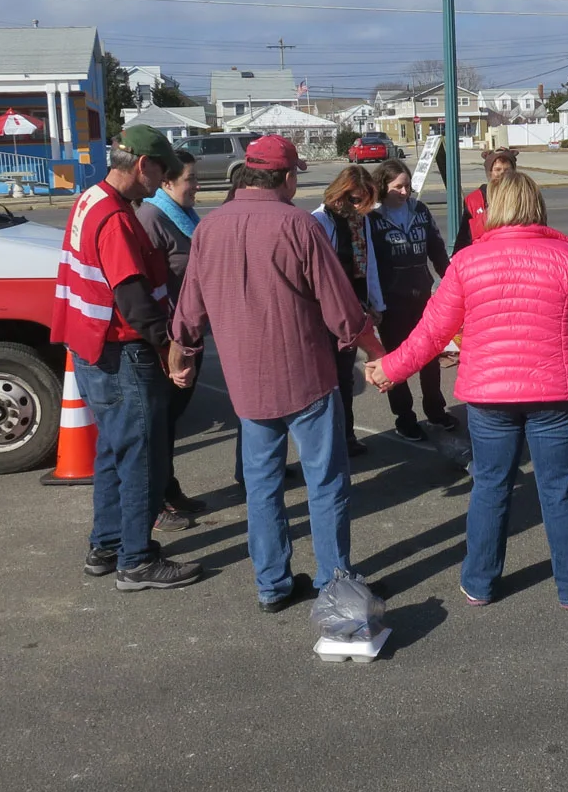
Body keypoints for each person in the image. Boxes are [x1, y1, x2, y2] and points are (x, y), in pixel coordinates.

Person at [366, 172, 568, 611]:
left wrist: (390, 369)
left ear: (494, 211)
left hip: (490, 395)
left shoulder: (468, 262)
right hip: (556, 394)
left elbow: (432, 333)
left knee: (491, 486)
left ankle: (479, 582)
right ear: (536, 206)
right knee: (559, 488)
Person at [170, 136, 385, 614]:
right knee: (326, 483)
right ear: (285, 177)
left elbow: (190, 305)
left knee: (262, 485)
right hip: (305, 375)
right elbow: (341, 310)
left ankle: (272, 584)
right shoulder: (297, 224)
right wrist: (379, 353)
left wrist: (181, 351)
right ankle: (337, 582)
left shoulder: (210, 227)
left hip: (247, 384)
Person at [52, 125, 202, 592]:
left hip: (93, 347)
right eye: (161, 170)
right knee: (139, 456)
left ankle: (108, 545)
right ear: (142, 165)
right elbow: (133, 299)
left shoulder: (90, 200)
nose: (162, 180)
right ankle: (136, 560)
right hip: (122, 351)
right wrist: (170, 349)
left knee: (114, 451)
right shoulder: (116, 219)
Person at [135, 147, 207, 531]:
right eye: (190, 180)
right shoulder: (152, 217)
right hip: (169, 339)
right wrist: (168, 345)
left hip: (191, 334)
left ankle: (169, 487)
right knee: (158, 423)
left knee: (170, 421)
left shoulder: (185, 215)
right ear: (165, 183)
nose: (196, 186)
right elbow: (147, 286)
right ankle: (156, 503)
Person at [368, 159, 458, 440]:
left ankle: (435, 410)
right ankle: (404, 418)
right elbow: (368, 264)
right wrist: (372, 303)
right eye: (398, 187)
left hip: (422, 296)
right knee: (396, 361)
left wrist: (454, 281)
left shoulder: (419, 210)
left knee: (430, 356)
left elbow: (437, 249)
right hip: (390, 302)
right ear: (383, 187)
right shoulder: (372, 219)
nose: (405, 192)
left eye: (407, 185)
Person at [313, 166, 385, 458]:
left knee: (345, 377)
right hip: (325, 311)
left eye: (364, 201)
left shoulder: (360, 221)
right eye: (354, 200)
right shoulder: (319, 220)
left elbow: (369, 265)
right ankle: (327, 440)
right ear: (339, 194)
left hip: (354, 308)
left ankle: (346, 434)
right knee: (325, 380)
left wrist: (376, 303)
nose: (359, 207)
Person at [453, 147, 517, 253]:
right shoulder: (474, 201)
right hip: (482, 259)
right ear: (490, 172)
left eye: (507, 170)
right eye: (498, 169)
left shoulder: (524, 197)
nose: (502, 174)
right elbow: (464, 239)